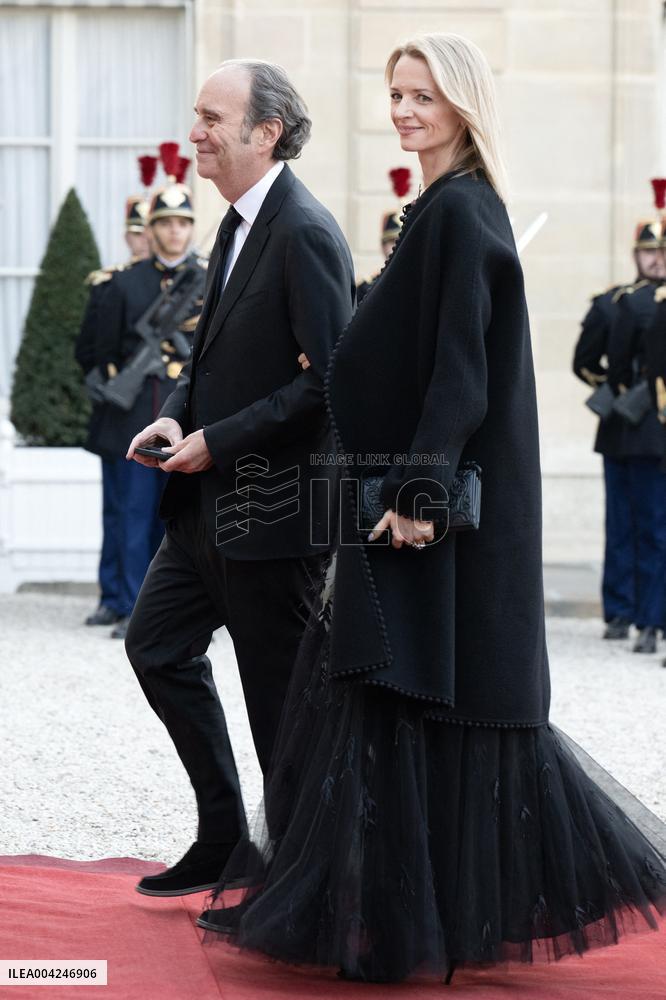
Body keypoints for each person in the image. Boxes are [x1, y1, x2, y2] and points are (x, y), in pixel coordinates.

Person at [199, 33, 666, 984]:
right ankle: (423, 913)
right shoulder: (441, 208)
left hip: (423, 516)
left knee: (420, 697)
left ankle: (421, 920)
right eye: (397, 93)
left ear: (464, 105)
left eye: (424, 96)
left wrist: (418, 496)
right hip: (398, 503)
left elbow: (463, 376)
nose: (405, 110)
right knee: (407, 700)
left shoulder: (462, 213)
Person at [124, 60, 355, 898]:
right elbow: (213, 353)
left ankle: (305, 892)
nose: (197, 133)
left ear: (267, 131)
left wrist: (218, 441)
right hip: (204, 511)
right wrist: (178, 416)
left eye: (212, 118)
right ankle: (226, 837)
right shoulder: (236, 219)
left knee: (283, 720)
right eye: (196, 116)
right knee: (154, 648)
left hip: (272, 516)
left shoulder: (305, 231)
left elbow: (329, 384)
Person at [93, 173, 208, 640]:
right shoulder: (125, 285)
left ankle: (182, 610)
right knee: (134, 515)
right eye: (166, 223)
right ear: (152, 229)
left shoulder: (208, 278)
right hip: (138, 415)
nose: (175, 231)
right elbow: (101, 351)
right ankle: (132, 606)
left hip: (189, 417)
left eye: (183, 223)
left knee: (179, 518)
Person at [573, 221, 666, 643]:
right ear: (635, 254)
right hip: (623, 431)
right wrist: (620, 395)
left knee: (651, 526)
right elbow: (587, 363)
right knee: (624, 525)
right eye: (649, 250)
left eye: (662, 250)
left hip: (651, 431)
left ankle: (645, 614)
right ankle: (622, 611)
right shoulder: (613, 304)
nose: (657, 258)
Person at [76, 193, 151, 629]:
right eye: (139, 233)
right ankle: (115, 594)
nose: (145, 241)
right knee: (120, 510)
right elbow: (90, 348)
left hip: (155, 408)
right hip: (120, 412)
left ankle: (138, 598)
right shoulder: (112, 282)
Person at [605, 238, 666, 655]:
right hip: (645, 433)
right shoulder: (636, 303)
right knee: (645, 528)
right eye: (650, 250)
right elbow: (615, 366)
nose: (657, 258)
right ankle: (642, 617)